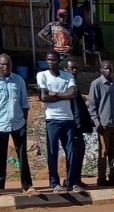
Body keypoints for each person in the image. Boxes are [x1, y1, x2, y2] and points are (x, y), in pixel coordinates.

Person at [37, 51, 79, 194]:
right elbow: (43, 97)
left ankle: (71, 182)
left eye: (53, 60)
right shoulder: (42, 75)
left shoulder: (68, 75)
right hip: (52, 119)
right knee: (52, 152)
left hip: (68, 119)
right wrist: (63, 96)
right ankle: (55, 183)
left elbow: (73, 95)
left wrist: (55, 94)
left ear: (59, 61)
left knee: (71, 151)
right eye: (48, 59)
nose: (51, 62)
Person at [0, 54, 35, 194]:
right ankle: (0, 187)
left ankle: (27, 186)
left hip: (18, 123)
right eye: (2, 64)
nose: (5, 67)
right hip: (0, 124)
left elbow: (24, 104)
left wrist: (24, 123)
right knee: (0, 157)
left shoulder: (19, 80)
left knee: (22, 156)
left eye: (8, 64)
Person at [88, 61, 114, 187]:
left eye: (110, 68)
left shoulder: (113, 84)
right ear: (101, 70)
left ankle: (113, 176)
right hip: (103, 125)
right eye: (105, 68)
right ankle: (101, 178)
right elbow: (92, 106)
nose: (108, 71)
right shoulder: (96, 84)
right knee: (103, 152)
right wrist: (97, 123)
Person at [64, 59, 93, 190]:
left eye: (76, 68)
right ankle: (71, 181)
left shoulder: (74, 84)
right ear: (66, 69)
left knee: (80, 152)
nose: (74, 71)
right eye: (72, 68)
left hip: (79, 127)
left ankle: (77, 179)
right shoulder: (66, 86)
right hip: (72, 126)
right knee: (73, 153)